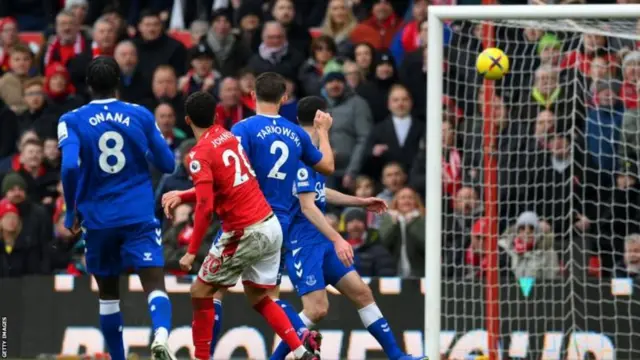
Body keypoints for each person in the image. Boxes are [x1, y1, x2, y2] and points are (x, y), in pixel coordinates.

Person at [164, 72, 335, 357]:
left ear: (252, 96)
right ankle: (300, 345)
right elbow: (327, 166)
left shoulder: (241, 130)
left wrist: (191, 250)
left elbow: (218, 189)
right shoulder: (294, 132)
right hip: (277, 224)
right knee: (263, 297)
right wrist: (325, 132)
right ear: (284, 98)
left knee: (206, 292)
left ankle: (202, 356)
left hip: (243, 222)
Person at [270, 96, 427, 360]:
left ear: (299, 119)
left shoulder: (313, 149)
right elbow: (308, 206)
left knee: (361, 292)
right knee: (317, 310)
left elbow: (318, 191)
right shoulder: (302, 151)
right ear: (325, 117)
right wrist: (339, 239)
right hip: (302, 243)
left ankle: (397, 356)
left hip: (320, 241)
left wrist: (360, 201)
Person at [57, 56, 177, 360]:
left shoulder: (71, 119)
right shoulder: (140, 115)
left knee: (108, 296)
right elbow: (168, 164)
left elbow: (70, 166)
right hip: (137, 215)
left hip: (98, 219)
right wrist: (146, 147)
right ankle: (161, 336)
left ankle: (118, 358)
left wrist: (71, 211)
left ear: (88, 86)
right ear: (119, 83)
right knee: (154, 283)